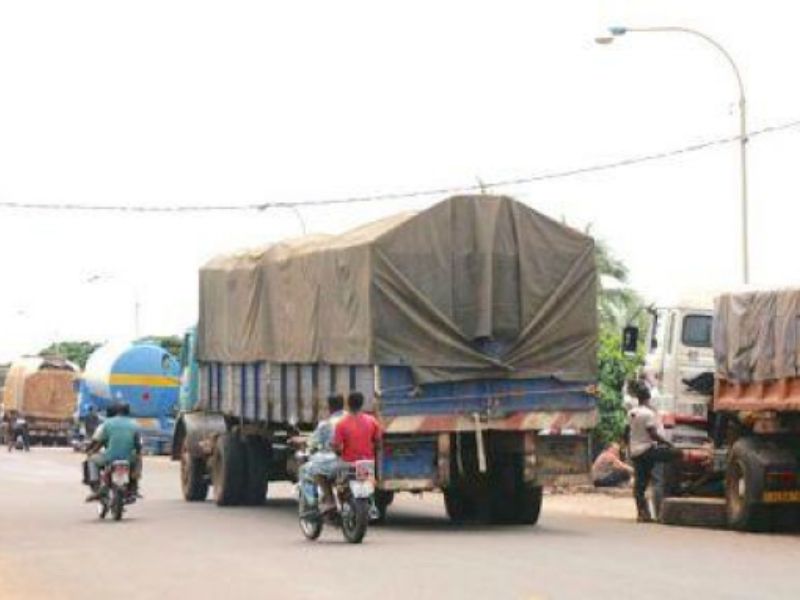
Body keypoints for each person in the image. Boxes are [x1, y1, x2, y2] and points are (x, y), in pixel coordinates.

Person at [627, 381, 678, 522]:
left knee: (640, 484)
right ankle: (659, 514)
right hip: (648, 450)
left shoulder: (632, 412)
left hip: (635, 451)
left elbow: (628, 431)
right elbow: (652, 434)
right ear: (648, 398)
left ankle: (642, 513)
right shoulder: (648, 414)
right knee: (658, 479)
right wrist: (668, 444)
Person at [84, 402, 142, 501]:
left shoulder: (106, 424)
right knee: (138, 459)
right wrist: (137, 454)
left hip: (109, 457)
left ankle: (96, 487)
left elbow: (96, 440)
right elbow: (138, 444)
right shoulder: (135, 424)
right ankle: (134, 487)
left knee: (91, 460)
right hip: (129, 458)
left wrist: (88, 450)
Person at [299, 394, 346, 512]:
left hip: (339, 460)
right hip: (362, 459)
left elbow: (312, 442)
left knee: (314, 468)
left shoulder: (326, 424)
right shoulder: (359, 420)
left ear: (329, 407)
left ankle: (330, 501)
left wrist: (302, 441)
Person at [333, 391, 382, 463]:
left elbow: (337, 448)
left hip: (348, 463)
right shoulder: (372, 421)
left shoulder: (341, 424)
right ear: (362, 404)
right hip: (367, 464)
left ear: (348, 404)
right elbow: (378, 445)